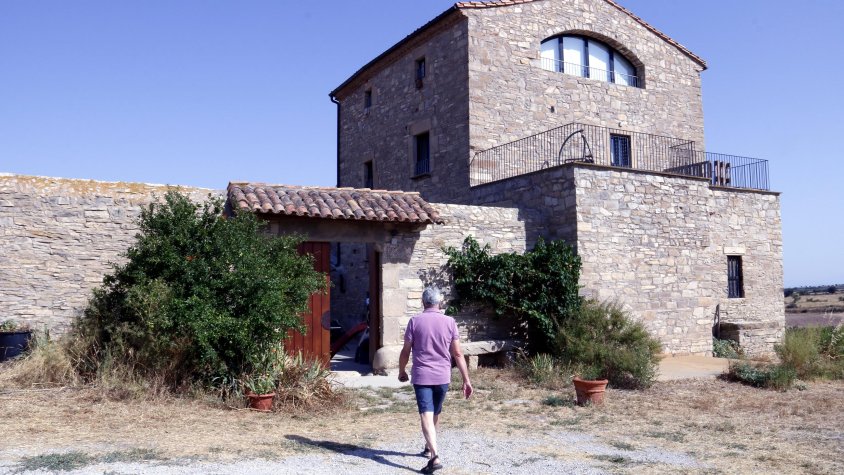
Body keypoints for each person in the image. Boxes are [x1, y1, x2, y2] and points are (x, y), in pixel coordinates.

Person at [398, 286, 473, 474]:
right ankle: (430, 449)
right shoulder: (449, 322)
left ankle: (435, 456)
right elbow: (457, 353)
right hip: (442, 376)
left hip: (422, 375)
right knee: (434, 411)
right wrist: (466, 379)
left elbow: (406, 351)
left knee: (427, 413)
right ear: (440, 302)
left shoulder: (415, 321)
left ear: (423, 302)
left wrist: (401, 370)